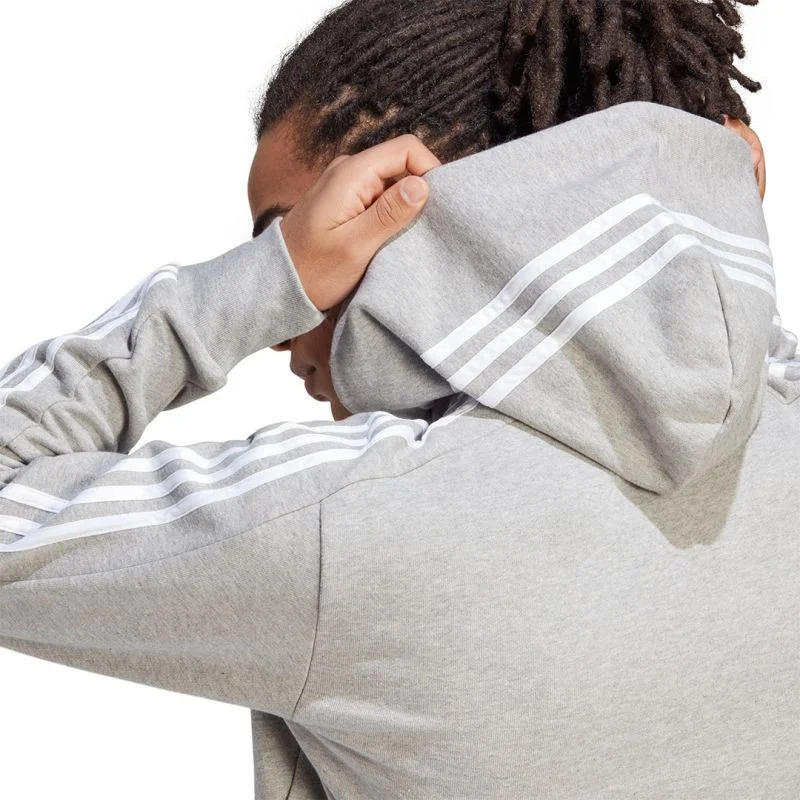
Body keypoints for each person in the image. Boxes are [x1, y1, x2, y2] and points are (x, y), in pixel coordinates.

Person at [2, 2, 799, 799]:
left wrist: (258, 284)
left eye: (295, 230)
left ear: (415, 202)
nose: (283, 330)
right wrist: (703, 209)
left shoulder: (351, 522)